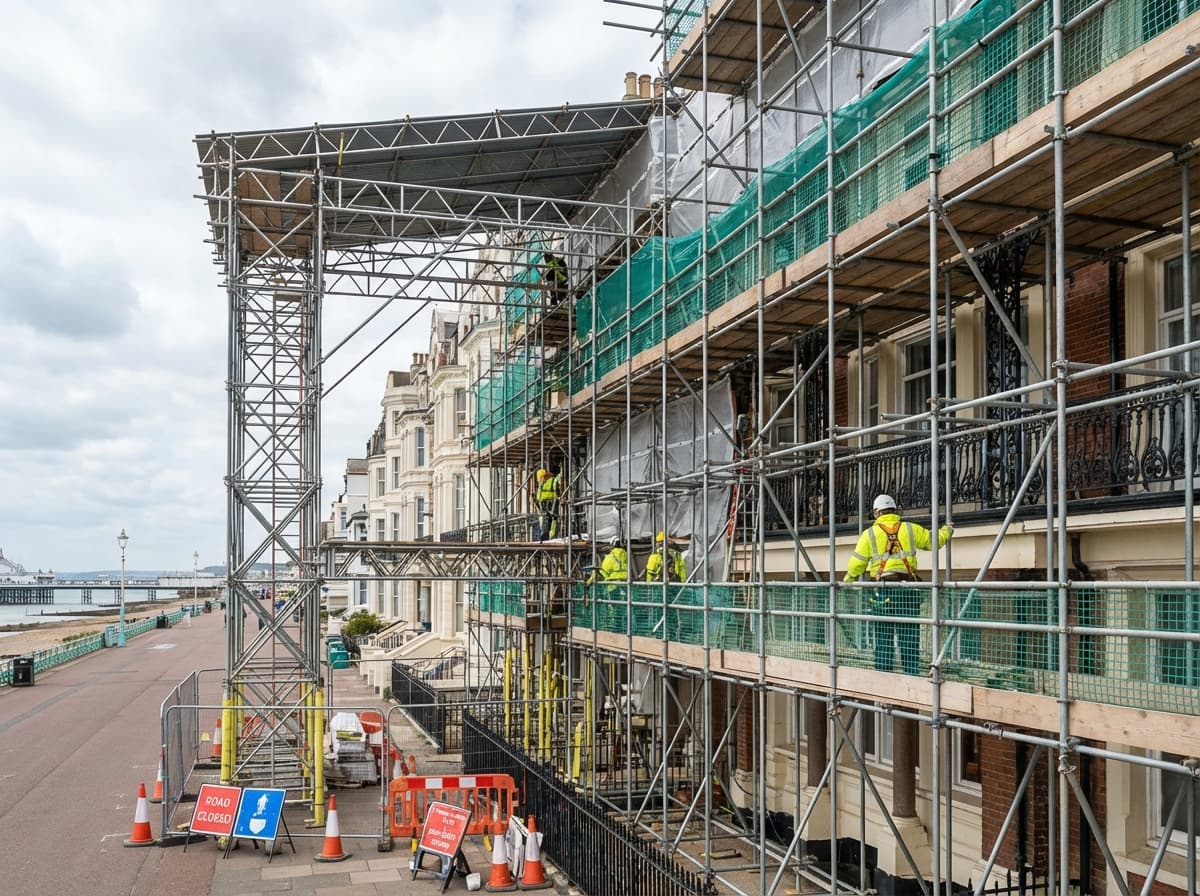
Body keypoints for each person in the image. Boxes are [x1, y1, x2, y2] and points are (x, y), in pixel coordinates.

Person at [843, 493, 953, 676]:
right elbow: (933, 540)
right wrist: (947, 531)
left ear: (876, 513)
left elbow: (856, 564)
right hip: (908, 590)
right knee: (909, 635)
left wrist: (848, 580)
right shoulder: (909, 529)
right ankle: (911, 674)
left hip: (883, 591)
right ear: (895, 510)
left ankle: (883, 675)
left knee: (883, 635)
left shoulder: (870, 534)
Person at [536, 467, 562, 541]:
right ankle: (552, 537)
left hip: (545, 503)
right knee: (553, 519)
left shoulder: (542, 484)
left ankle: (545, 537)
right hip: (553, 502)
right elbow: (558, 490)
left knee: (546, 520)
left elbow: (538, 496)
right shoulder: (554, 480)